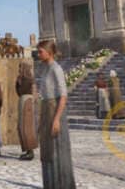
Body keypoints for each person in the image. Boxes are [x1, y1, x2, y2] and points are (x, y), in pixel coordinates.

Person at [36, 39, 76, 188]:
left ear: (49, 52)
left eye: (41, 52)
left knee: (56, 150)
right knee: (47, 149)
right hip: (47, 111)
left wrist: (57, 119)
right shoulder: (45, 68)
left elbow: (63, 95)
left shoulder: (56, 69)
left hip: (55, 112)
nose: (38, 54)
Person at [16, 61, 38, 161]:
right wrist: (18, 82)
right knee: (21, 126)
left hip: (28, 101)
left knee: (27, 126)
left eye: (21, 68)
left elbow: (34, 92)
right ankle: (27, 149)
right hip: (22, 100)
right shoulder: (20, 79)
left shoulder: (30, 79)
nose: (19, 70)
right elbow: (18, 92)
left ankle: (30, 151)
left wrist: (32, 102)